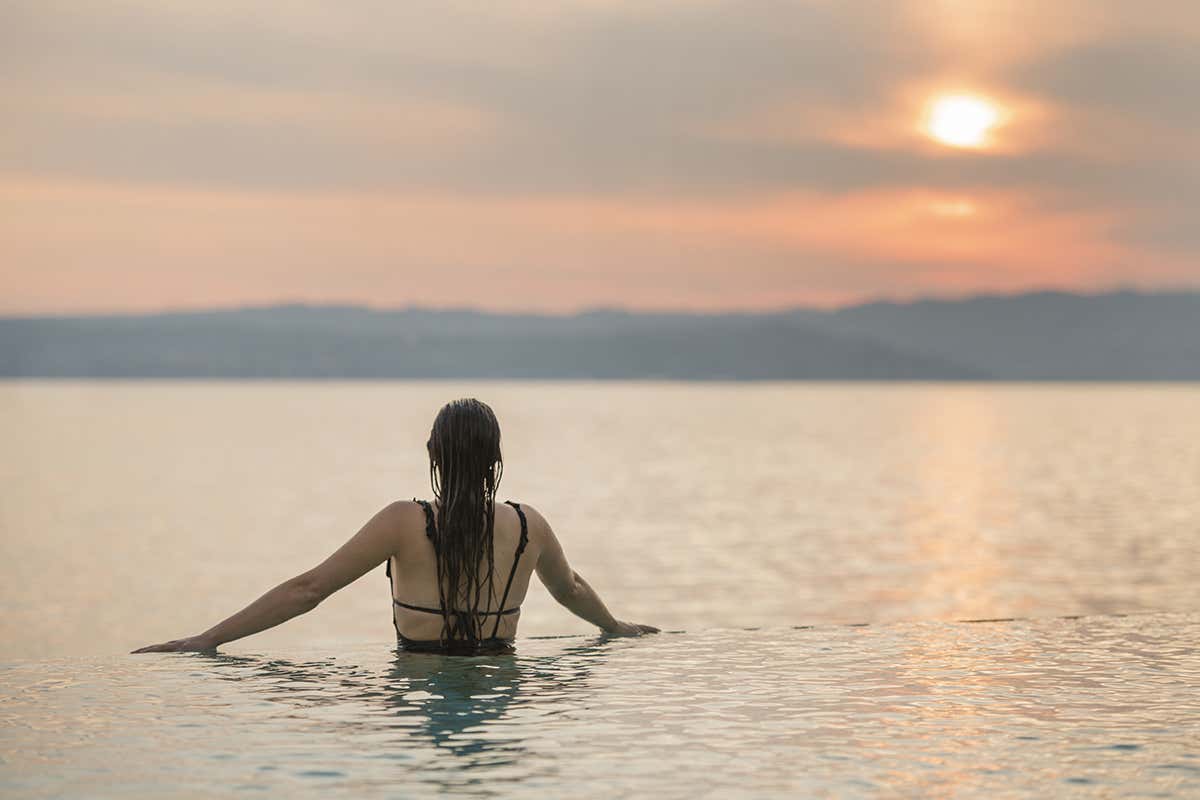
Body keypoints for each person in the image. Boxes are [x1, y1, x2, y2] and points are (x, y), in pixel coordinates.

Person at [133, 398, 658, 655]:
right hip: (503, 691)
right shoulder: (528, 526)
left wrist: (208, 639)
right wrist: (614, 627)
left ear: (433, 452)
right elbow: (570, 588)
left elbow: (308, 590)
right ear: (496, 457)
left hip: (417, 694)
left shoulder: (404, 523)